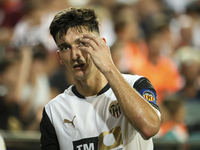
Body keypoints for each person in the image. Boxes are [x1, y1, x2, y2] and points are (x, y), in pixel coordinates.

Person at [40, 7, 161, 150]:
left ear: (101, 45)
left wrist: (109, 67)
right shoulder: (54, 111)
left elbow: (149, 128)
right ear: (60, 57)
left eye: (82, 43)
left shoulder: (136, 84)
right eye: (66, 48)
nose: (75, 55)